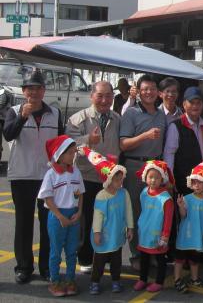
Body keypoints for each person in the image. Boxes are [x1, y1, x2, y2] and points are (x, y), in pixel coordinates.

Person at [3, 70, 64, 284]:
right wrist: (22, 117)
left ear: (44, 91)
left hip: (48, 176)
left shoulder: (55, 113)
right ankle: (24, 267)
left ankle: (47, 267)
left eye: (38, 88)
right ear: (24, 91)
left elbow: (61, 143)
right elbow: (8, 134)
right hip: (22, 175)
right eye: (30, 88)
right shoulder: (13, 111)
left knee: (49, 223)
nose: (34, 92)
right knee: (23, 223)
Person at [65, 80, 121, 274]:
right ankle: (85, 257)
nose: (104, 100)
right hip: (86, 177)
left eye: (108, 96)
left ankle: (105, 255)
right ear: (91, 96)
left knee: (109, 219)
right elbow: (68, 145)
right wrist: (88, 139)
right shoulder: (78, 119)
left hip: (109, 179)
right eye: (100, 96)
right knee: (87, 220)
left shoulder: (117, 118)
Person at [119, 74, 166, 267]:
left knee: (153, 212)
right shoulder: (131, 113)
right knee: (136, 211)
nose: (149, 92)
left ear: (158, 92)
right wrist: (145, 136)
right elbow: (123, 144)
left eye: (152, 89)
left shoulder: (161, 114)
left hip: (155, 167)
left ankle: (150, 251)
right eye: (145, 89)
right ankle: (136, 254)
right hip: (135, 166)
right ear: (138, 91)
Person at [77, 147, 132, 295]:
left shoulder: (124, 193)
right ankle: (95, 282)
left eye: (121, 179)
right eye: (117, 180)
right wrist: (97, 233)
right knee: (99, 261)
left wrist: (130, 227)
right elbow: (98, 216)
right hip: (104, 234)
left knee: (116, 260)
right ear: (108, 180)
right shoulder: (101, 196)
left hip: (117, 234)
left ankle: (116, 280)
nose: (120, 182)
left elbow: (128, 211)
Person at [37, 135, 84, 297]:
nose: (73, 155)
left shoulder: (76, 172)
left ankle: (70, 280)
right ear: (59, 154)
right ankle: (55, 281)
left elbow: (80, 194)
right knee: (56, 252)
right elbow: (47, 198)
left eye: (74, 152)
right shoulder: (51, 174)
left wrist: (79, 212)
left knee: (71, 251)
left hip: (73, 215)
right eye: (70, 153)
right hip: (57, 216)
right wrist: (60, 216)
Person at [173, 161, 203, 293]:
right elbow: (183, 215)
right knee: (180, 258)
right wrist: (181, 206)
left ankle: (194, 279)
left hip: (199, 235)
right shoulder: (187, 198)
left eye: (199, 182)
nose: (196, 185)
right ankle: (177, 279)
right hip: (186, 235)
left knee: (195, 259)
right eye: (194, 182)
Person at [163, 86, 203, 196]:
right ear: (184, 104)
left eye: (198, 103)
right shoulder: (176, 126)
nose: (195, 106)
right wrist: (169, 180)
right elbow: (169, 154)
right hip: (184, 183)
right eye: (192, 102)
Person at [134, 160, 174, 294]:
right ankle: (142, 279)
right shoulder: (144, 192)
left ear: (162, 179)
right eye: (150, 177)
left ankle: (159, 282)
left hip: (158, 234)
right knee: (144, 257)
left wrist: (165, 236)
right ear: (145, 177)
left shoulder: (166, 198)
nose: (153, 180)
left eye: (157, 178)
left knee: (160, 258)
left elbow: (168, 219)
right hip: (145, 231)